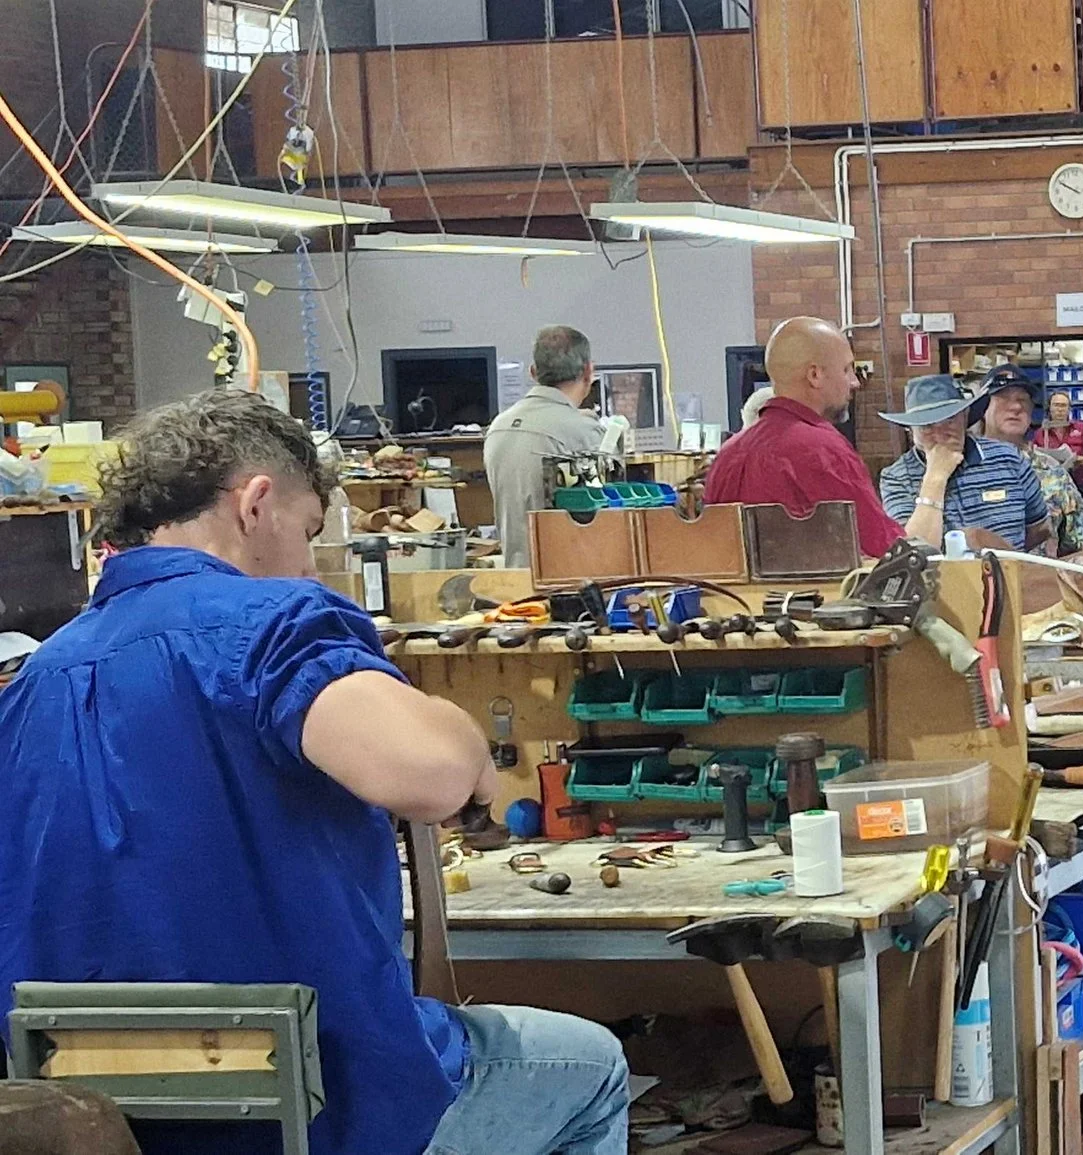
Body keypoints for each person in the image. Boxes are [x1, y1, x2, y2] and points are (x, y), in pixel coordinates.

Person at [0, 390, 630, 1155]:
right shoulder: (267, 623)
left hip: (99, 1120)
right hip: (317, 1110)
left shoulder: (39, 677)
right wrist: (470, 754)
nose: (305, 562)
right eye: (306, 533)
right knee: (592, 1066)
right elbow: (426, 774)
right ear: (257, 503)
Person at [707, 316, 904, 557]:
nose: (854, 382)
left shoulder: (726, 456)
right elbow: (883, 547)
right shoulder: (824, 451)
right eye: (846, 369)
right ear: (815, 375)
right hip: (818, 594)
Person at [879, 374, 1051, 551]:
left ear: (965, 416)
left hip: (1009, 575)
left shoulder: (1009, 458)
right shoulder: (896, 478)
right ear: (910, 431)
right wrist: (935, 478)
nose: (940, 434)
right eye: (926, 426)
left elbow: (1039, 530)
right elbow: (914, 554)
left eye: (949, 420)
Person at [483, 324, 606, 569]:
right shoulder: (585, 432)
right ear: (589, 371)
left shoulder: (498, 426)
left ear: (533, 372)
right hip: (570, 581)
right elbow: (606, 515)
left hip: (516, 579)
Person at [974, 368, 1083, 555]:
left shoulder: (1053, 472)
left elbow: (1076, 544)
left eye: (1022, 400)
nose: (1016, 407)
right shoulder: (962, 469)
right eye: (1003, 398)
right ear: (982, 407)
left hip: (1040, 580)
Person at [1033, 390, 1083, 489]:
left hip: (1081, 484)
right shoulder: (1041, 433)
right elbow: (1035, 464)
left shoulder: (1082, 429)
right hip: (1053, 486)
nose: (1060, 409)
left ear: (1069, 409)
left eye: (1063, 406)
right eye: (1056, 405)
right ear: (1049, 408)